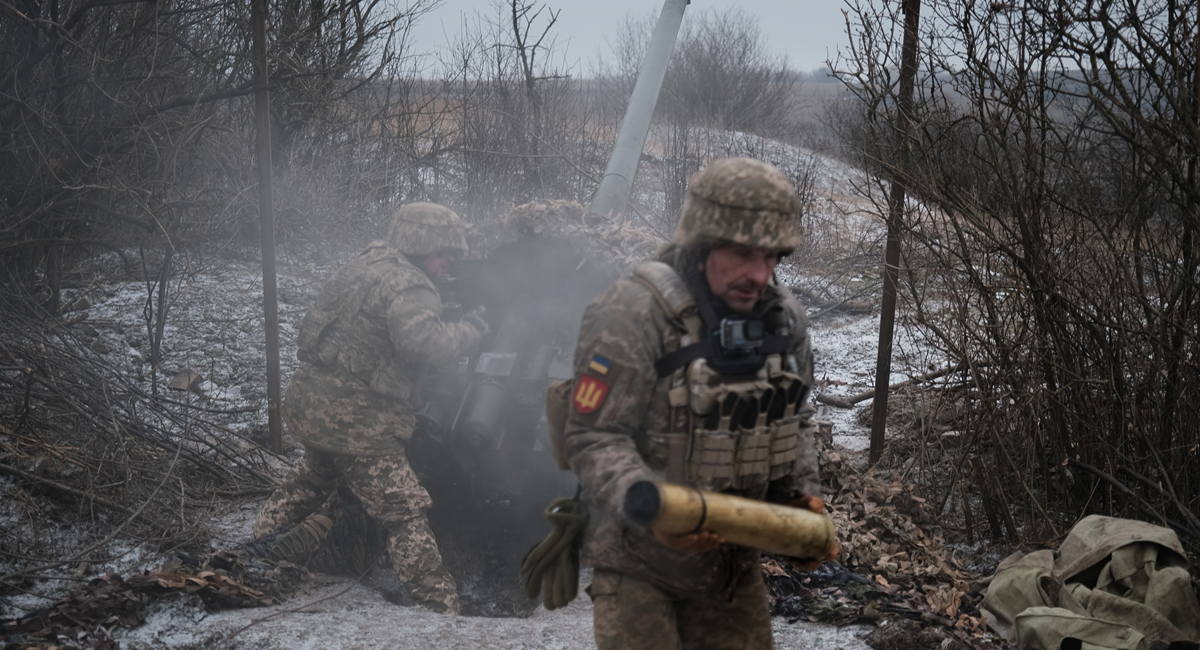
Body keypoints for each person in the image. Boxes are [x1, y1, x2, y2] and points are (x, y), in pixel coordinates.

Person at [563, 157, 835, 648]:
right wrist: (654, 511)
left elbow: (796, 419)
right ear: (702, 243)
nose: (760, 274)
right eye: (744, 254)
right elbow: (593, 435)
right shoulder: (634, 313)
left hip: (733, 570)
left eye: (774, 256)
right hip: (639, 567)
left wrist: (802, 498)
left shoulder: (782, 319)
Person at [253, 202, 489, 615]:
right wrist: (470, 331)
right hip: (357, 421)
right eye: (445, 251)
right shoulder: (409, 284)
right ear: (421, 244)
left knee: (310, 481)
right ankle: (442, 609)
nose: (450, 260)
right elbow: (422, 345)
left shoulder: (368, 263)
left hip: (313, 403)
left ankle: (254, 553)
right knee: (405, 513)